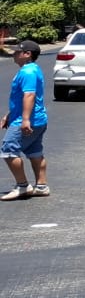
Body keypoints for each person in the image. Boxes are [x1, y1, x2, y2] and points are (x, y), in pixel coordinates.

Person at [2, 40, 50, 200]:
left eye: (17, 52)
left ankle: (22, 186)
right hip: (38, 119)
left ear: (27, 54)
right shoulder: (32, 69)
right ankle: (41, 186)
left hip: (27, 120)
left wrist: (25, 120)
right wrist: (9, 114)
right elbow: (20, 98)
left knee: (8, 150)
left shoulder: (28, 72)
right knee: (34, 151)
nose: (14, 54)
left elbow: (29, 95)